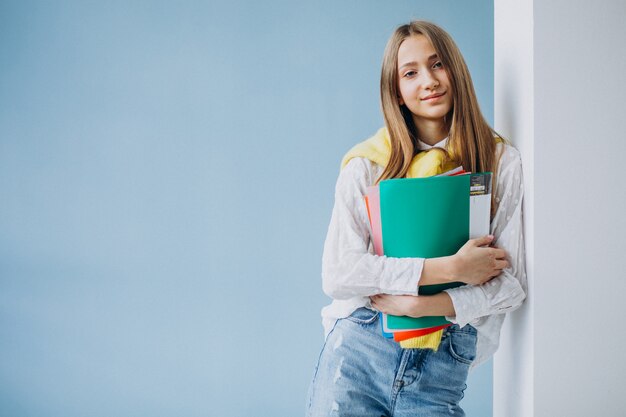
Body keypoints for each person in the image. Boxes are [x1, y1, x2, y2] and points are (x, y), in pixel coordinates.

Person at [305, 21, 527, 417]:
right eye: (410, 73)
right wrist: (450, 268)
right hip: (359, 355)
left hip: (442, 361)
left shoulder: (499, 162)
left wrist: (428, 306)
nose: (429, 81)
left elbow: (510, 287)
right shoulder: (367, 165)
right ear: (397, 93)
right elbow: (338, 273)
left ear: (455, 70)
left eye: (437, 64)